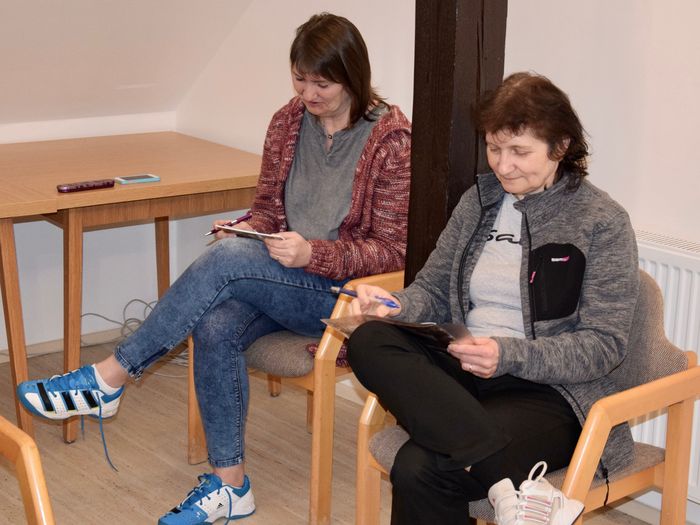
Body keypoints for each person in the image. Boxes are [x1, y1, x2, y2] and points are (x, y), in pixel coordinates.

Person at [17, 12, 411, 525]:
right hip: (284, 280)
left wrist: (314, 254)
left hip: (342, 297)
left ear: (353, 77)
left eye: (323, 84)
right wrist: (248, 229)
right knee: (215, 322)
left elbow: (393, 251)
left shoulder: (391, 140)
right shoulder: (288, 122)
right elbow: (268, 210)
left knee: (227, 264)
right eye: (300, 79)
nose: (308, 94)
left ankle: (110, 377)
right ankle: (230, 485)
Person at [346, 72, 639, 525]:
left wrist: (507, 354)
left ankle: (502, 483)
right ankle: (511, 489)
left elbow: (605, 345)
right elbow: (432, 289)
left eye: (519, 151)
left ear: (560, 147)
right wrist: (394, 306)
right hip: (463, 373)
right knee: (369, 339)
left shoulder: (602, 221)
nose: (503, 166)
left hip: (550, 393)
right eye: (494, 148)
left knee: (419, 468)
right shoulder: (478, 202)